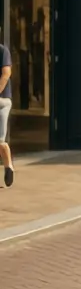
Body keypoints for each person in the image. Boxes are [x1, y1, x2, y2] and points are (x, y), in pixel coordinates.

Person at [0, 37, 13, 187]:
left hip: (2, 101)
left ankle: (8, 166)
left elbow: (6, 74)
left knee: (0, 141)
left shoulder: (3, 51)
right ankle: (8, 167)